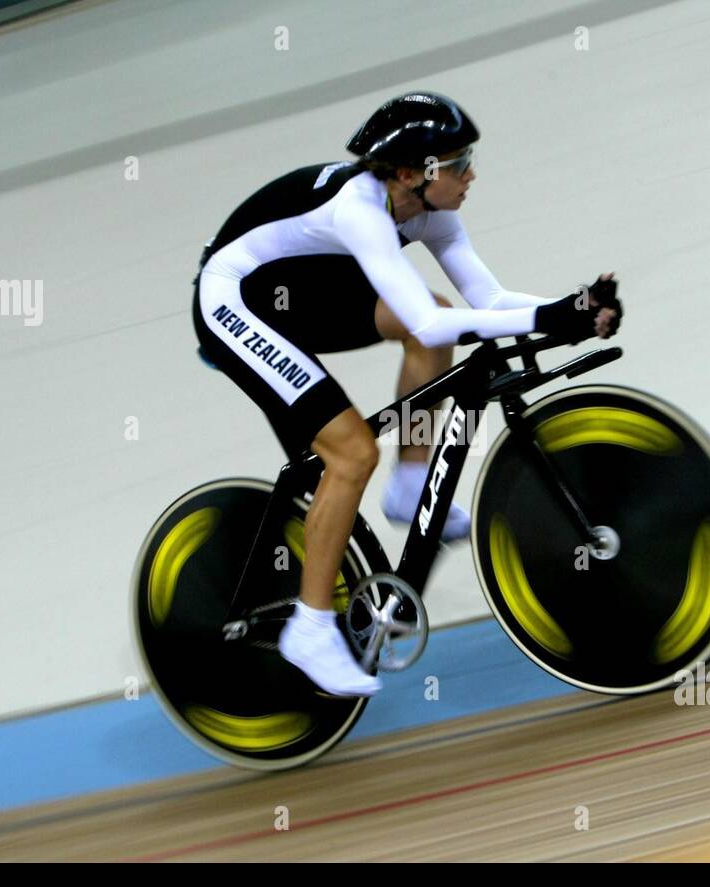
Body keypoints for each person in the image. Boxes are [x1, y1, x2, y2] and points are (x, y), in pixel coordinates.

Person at [192, 91, 622, 697]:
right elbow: (426, 325)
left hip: (298, 286)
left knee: (440, 314)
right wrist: (551, 319)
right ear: (409, 174)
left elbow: (489, 303)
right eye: (458, 162)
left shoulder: (430, 209)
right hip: (234, 302)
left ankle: (410, 484)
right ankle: (310, 629)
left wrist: (571, 309)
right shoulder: (360, 210)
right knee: (351, 453)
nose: (471, 173)